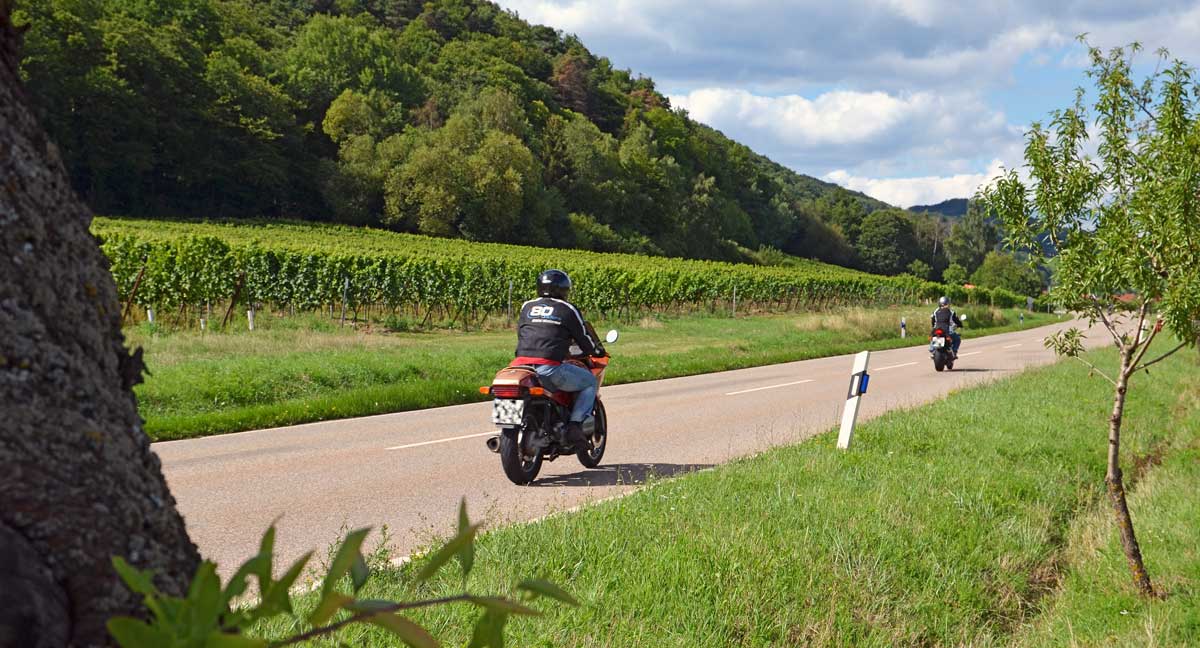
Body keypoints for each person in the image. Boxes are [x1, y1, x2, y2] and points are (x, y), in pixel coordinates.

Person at [513, 269, 605, 447]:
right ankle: (575, 426)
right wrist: (595, 351)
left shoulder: (527, 306)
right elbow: (583, 336)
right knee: (589, 383)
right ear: (564, 289)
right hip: (548, 367)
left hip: (521, 366)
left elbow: (522, 333)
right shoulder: (567, 308)